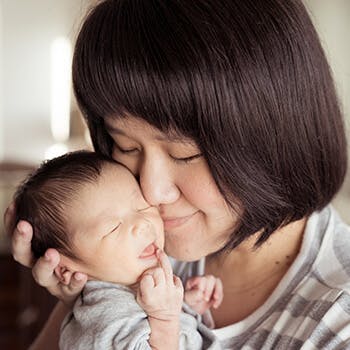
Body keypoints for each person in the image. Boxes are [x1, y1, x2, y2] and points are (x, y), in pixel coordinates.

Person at [4, 0, 350, 348]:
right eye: (126, 147)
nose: (151, 193)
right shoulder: (140, 246)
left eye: (186, 153)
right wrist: (84, 303)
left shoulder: (338, 319)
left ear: (276, 132)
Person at [13, 150, 222, 349]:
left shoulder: (129, 288)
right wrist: (165, 318)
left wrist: (189, 308)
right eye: (112, 228)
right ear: (64, 270)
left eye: (143, 207)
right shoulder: (102, 322)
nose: (143, 224)